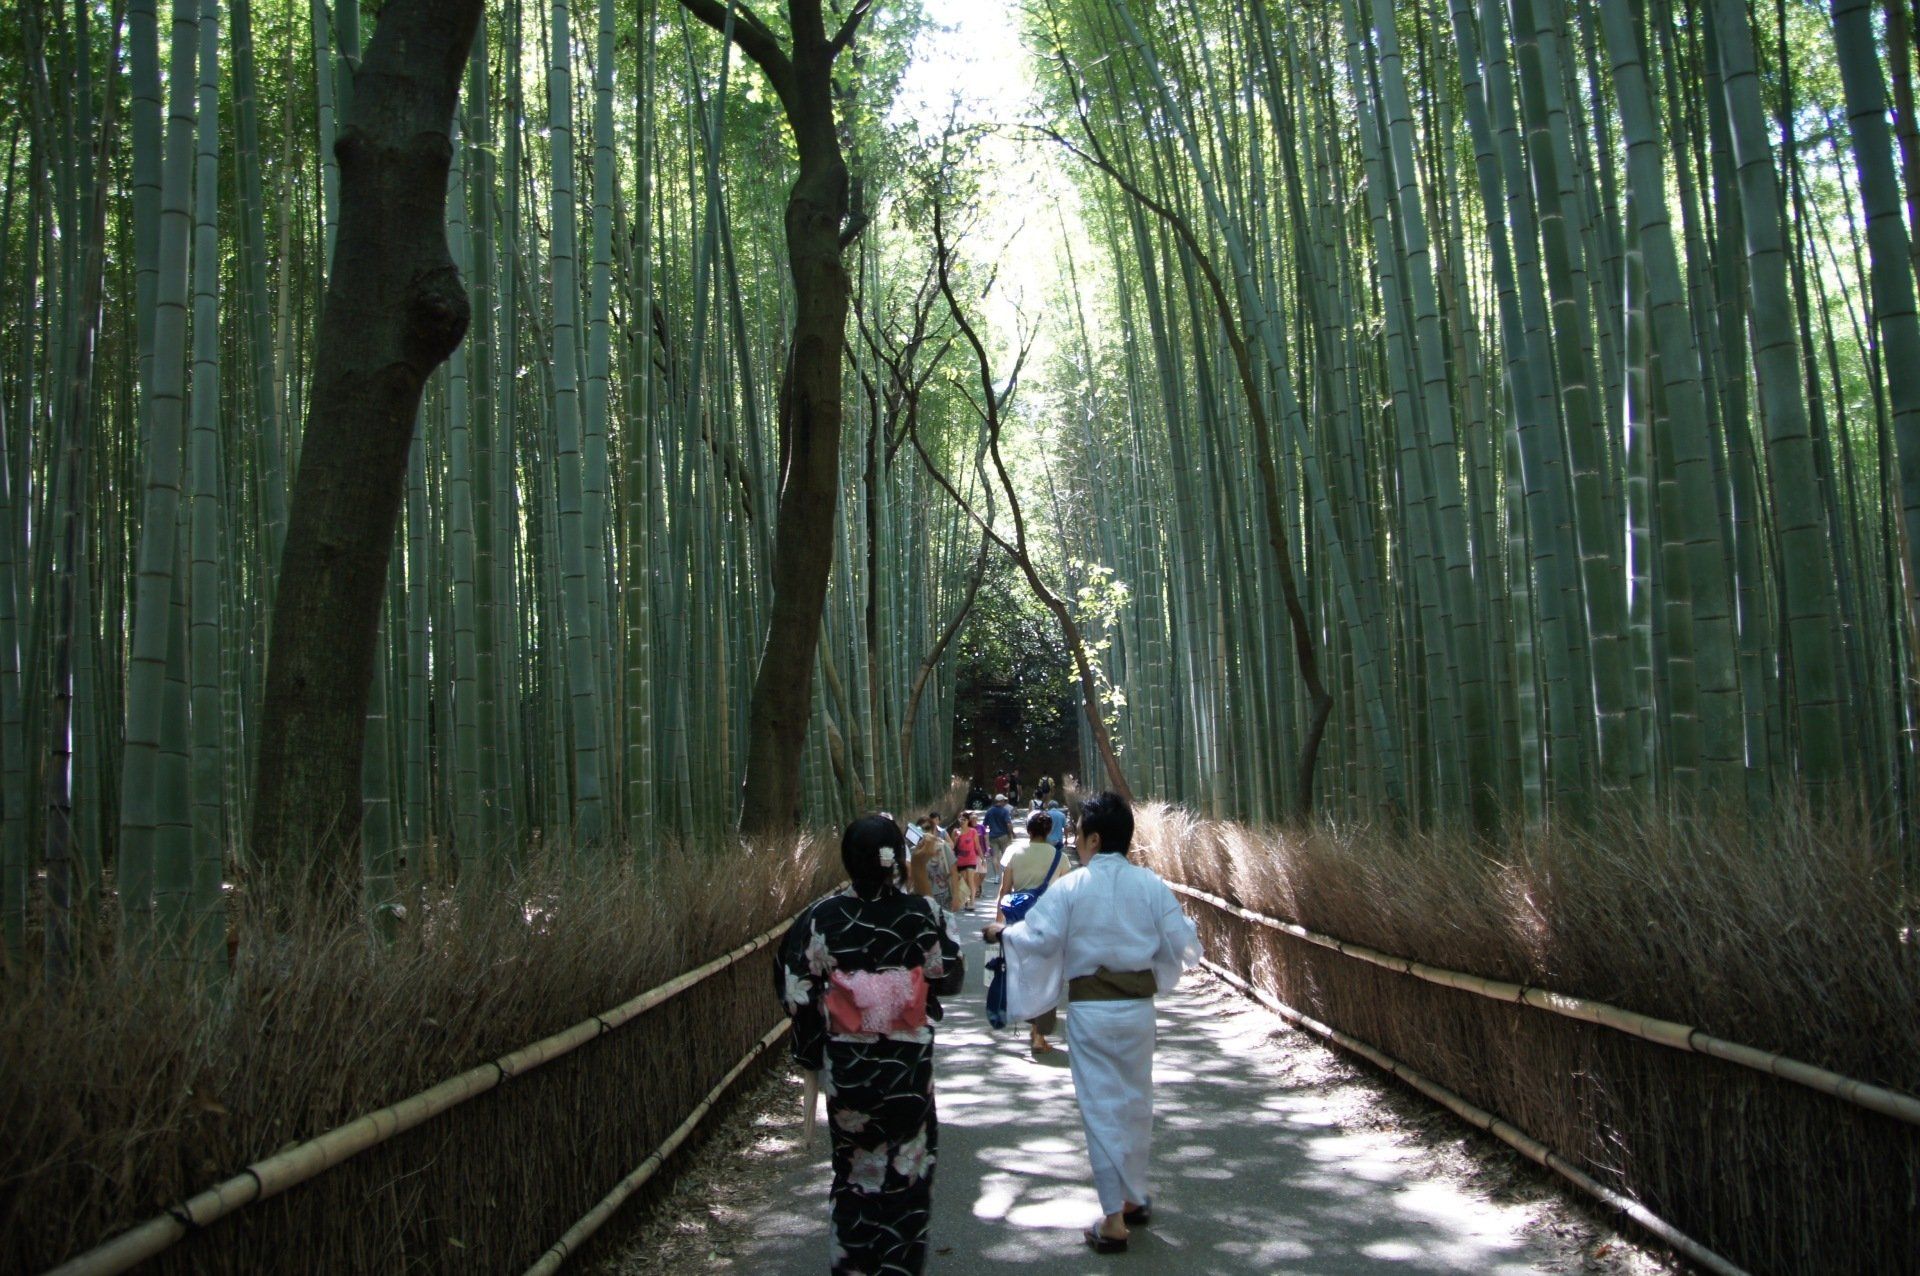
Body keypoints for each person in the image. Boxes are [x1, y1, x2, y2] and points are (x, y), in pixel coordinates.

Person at [983, 792, 1201, 1254]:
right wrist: (1153, 967)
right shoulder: (1151, 885)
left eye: (1079, 833)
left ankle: (1113, 1219)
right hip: (1139, 1009)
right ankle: (1132, 1196)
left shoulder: (1073, 887)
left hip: (1092, 1012)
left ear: (1095, 838)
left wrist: (1003, 932)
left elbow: (1037, 937)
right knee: (1136, 1101)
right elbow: (1185, 944)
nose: (1074, 841)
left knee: (1101, 1108)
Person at [775, 816, 965, 1276]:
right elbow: (953, 975)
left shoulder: (822, 918)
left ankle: (855, 1268)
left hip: (850, 1071)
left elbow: (795, 989)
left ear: (848, 858)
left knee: (854, 1175)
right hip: (908, 1072)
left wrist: (819, 1038)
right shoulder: (924, 914)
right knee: (909, 1174)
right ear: (896, 860)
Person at [993, 811, 1075, 1053]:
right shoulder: (1059, 858)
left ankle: (1032, 1023)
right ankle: (1039, 1034)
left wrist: (998, 922)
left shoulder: (1015, 853)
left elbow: (1004, 890)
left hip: (1018, 923)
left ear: (1028, 830)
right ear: (1049, 831)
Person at [908, 814, 954, 911]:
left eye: (927, 828)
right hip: (920, 895)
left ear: (933, 830)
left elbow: (953, 871)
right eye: (921, 829)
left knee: (943, 924)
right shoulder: (913, 851)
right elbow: (910, 875)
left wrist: (956, 896)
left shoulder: (943, 846)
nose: (925, 832)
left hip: (942, 895)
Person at [949, 814, 980, 912]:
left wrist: (983, 858)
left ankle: (972, 902)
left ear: (968, 821)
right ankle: (966, 901)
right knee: (964, 880)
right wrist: (956, 838)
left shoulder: (973, 831)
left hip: (971, 859)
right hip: (960, 860)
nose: (962, 821)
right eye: (961, 819)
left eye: (964, 819)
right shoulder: (955, 831)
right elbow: (952, 846)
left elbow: (977, 845)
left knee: (970, 879)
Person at [984, 793, 1015, 877]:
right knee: (1006, 855)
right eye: (1004, 801)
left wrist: (986, 835)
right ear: (1001, 801)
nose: (1004, 802)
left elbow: (985, 825)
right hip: (1004, 836)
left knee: (995, 857)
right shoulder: (1005, 811)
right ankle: (1006, 875)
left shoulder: (989, 811)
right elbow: (1008, 824)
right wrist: (1012, 833)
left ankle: (997, 876)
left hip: (993, 837)